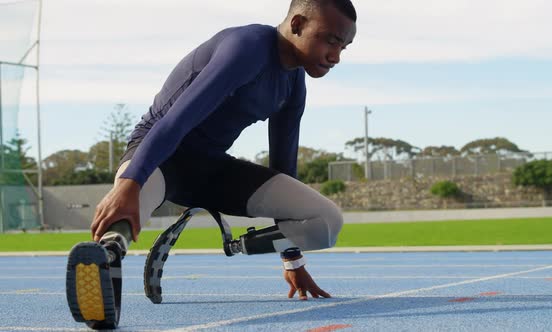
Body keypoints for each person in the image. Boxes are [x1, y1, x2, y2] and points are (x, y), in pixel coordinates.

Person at [66, 0, 357, 329]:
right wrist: (129, 183)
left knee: (327, 222)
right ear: (297, 24)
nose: (336, 56)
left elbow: (284, 168)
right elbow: (176, 122)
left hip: (212, 170)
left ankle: (235, 245)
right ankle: (106, 257)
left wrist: (292, 257)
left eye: (344, 46)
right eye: (330, 40)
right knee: (128, 206)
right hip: (159, 155)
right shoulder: (247, 48)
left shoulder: (293, 85)